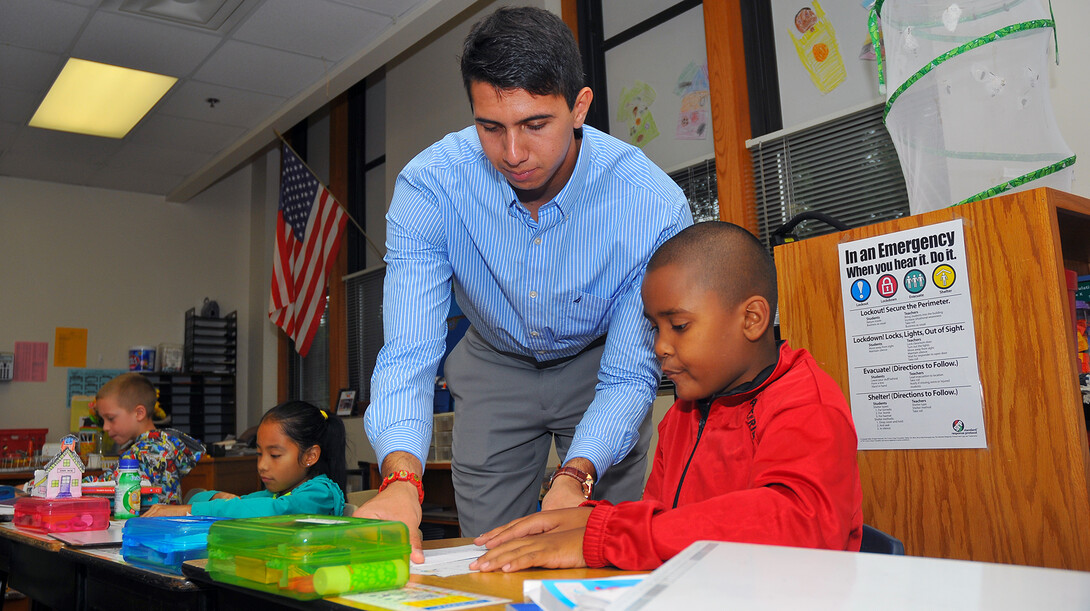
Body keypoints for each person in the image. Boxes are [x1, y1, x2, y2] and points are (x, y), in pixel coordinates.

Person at [355, 6, 693, 559]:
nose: (512, 154)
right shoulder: (429, 186)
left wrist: (577, 476)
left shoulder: (649, 204)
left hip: (599, 362)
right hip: (494, 364)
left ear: (579, 106)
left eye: (535, 124)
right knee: (490, 552)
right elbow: (410, 351)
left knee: (602, 547)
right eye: (491, 127)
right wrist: (401, 482)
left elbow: (631, 375)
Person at [469, 221, 863, 572]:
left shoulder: (806, 404)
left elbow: (794, 524)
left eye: (678, 325)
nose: (659, 346)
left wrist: (606, 536)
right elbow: (666, 520)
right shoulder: (684, 413)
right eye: (655, 328)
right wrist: (586, 519)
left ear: (752, 319)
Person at [143, 401, 346, 517]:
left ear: (310, 456)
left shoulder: (319, 493)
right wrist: (217, 496)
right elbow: (195, 497)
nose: (262, 465)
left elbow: (274, 511)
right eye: (259, 454)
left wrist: (189, 510)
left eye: (275, 455)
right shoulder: (276, 494)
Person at [85, 372, 204, 504]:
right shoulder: (163, 444)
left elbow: (103, 489)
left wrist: (76, 484)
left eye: (111, 418)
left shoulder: (146, 453)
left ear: (139, 413)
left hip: (152, 524)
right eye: (103, 420)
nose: (106, 427)